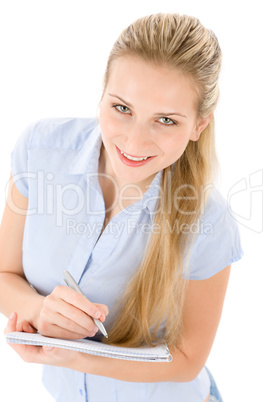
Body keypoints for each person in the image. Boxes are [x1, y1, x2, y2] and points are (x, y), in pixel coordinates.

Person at [0, 12, 243, 402]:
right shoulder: (41, 151)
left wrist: (77, 356)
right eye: (122, 108)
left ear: (199, 125)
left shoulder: (207, 221)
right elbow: (4, 273)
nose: (133, 142)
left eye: (165, 120)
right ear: (102, 92)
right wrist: (38, 310)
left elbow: (185, 361)